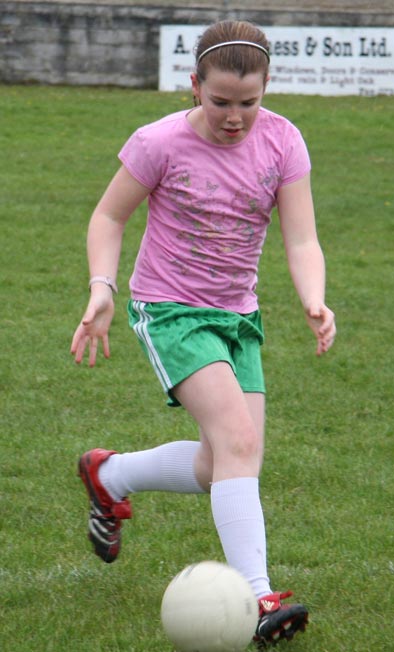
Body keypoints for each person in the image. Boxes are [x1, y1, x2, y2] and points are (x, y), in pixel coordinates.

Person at [71, 19, 336, 648]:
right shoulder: (157, 142)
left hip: (238, 315)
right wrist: (102, 288)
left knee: (226, 465)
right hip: (170, 309)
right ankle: (259, 593)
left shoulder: (283, 142)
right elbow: (108, 216)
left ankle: (111, 477)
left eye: (249, 102)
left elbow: (301, 237)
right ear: (195, 86)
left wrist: (314, 298)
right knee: (239, 441)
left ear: (267, 88)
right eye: (221, 101)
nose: (235, 117)